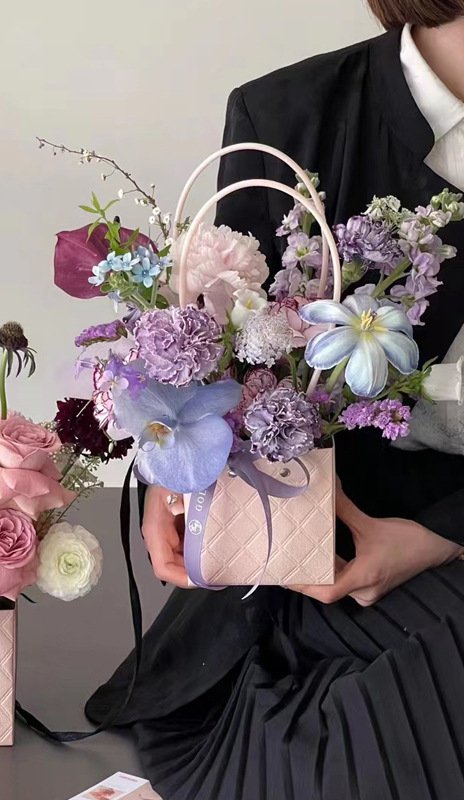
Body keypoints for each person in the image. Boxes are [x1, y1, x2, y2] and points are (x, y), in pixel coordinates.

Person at [86, 4, 464, 799]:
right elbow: (230, 358)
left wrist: (443, 537)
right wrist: (182, 469)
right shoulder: (289, 116)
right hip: (325, 554)